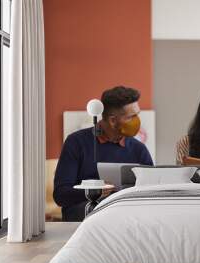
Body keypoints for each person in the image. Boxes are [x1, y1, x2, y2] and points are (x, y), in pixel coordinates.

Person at [54, 86, 153, 221]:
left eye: (137, 114)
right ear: (112, 120)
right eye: (131, 117)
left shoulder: (139, 149)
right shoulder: (76, 142)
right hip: (86, 216)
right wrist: (94, 192)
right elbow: (61, 195)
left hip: (127, 213)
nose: (137, 121)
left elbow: (150, 193)